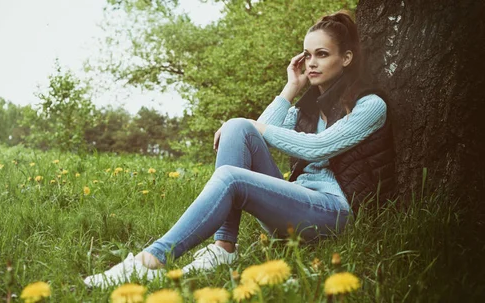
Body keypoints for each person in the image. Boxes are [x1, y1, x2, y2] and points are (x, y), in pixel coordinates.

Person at [83, 10, 395, 288]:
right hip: (297, 204)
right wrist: (290, 88)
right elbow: (249, 136)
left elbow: (318, 147)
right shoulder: (307, 107)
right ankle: (224, 248)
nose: (311, 62)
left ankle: (150, 261)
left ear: (347, 58)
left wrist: (256, 126)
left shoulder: (369, 105)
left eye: (322, 54)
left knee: (233, 175)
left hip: (334, 213)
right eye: (307, 54)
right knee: (236, 126)